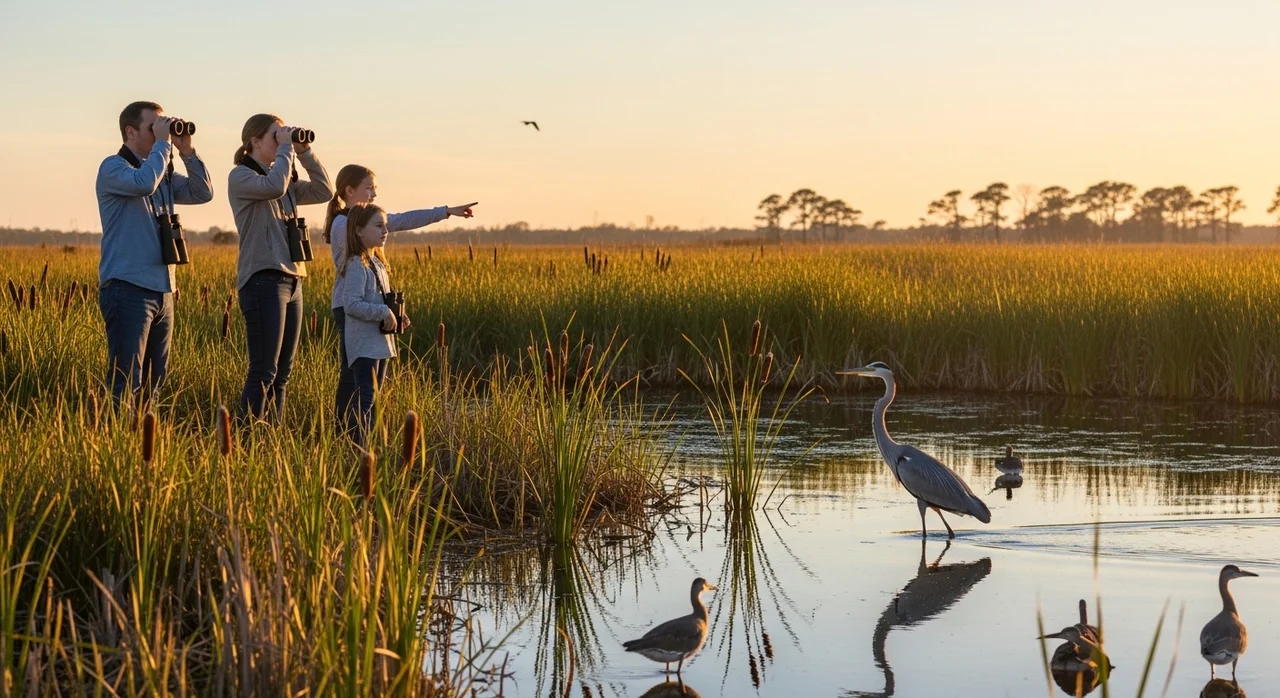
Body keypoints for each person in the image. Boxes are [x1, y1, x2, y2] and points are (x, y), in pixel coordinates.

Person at [322, 164, 475, 427]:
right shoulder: (343, 224)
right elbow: (359, 262)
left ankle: (352, 433)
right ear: (349, 191)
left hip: (370, 305)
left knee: (364, 382)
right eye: (368, 188)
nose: (373, 194)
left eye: (375, 189)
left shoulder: (365, 226)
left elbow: (404, 219)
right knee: (354, 378)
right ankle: (347, 432)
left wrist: (445, 211)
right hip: (352, 305)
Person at [96, 100, 213, 408]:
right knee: (126, 382)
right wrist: (163, 145)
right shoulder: (113, 167)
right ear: (130, 131)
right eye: (153, 127)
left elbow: (203, 193)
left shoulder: (161, 171)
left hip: (163, 290)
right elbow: (144, 183)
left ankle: (145, 448)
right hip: (128, 287)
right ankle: (119, 444)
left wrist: (186, 151)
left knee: (154, 384)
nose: (160, 133)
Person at [227, 114, 333, 422]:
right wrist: (287, 151)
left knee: (282, 373)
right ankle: (245, 438)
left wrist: (304, 151)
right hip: (262, 279)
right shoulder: (242, 177)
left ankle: (270, 438)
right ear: (255, 142)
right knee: (264, 370)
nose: (281, 141)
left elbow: (324, 191)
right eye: (276, 136)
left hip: (292, 278)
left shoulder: (282, 178)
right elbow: (273, 187)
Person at [339, 203, 410, 446]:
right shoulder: (357, 265)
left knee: (374, 397)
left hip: (379, 342)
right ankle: (357, 446)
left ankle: (367, 445)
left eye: (386, 227)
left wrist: (397, 316)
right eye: (378, 226)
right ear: (358, 231)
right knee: (366, 396)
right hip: (364, 343)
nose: (385, 231)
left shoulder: (377, 263)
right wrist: (382, 311)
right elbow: (351, 304)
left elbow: (381, 300)